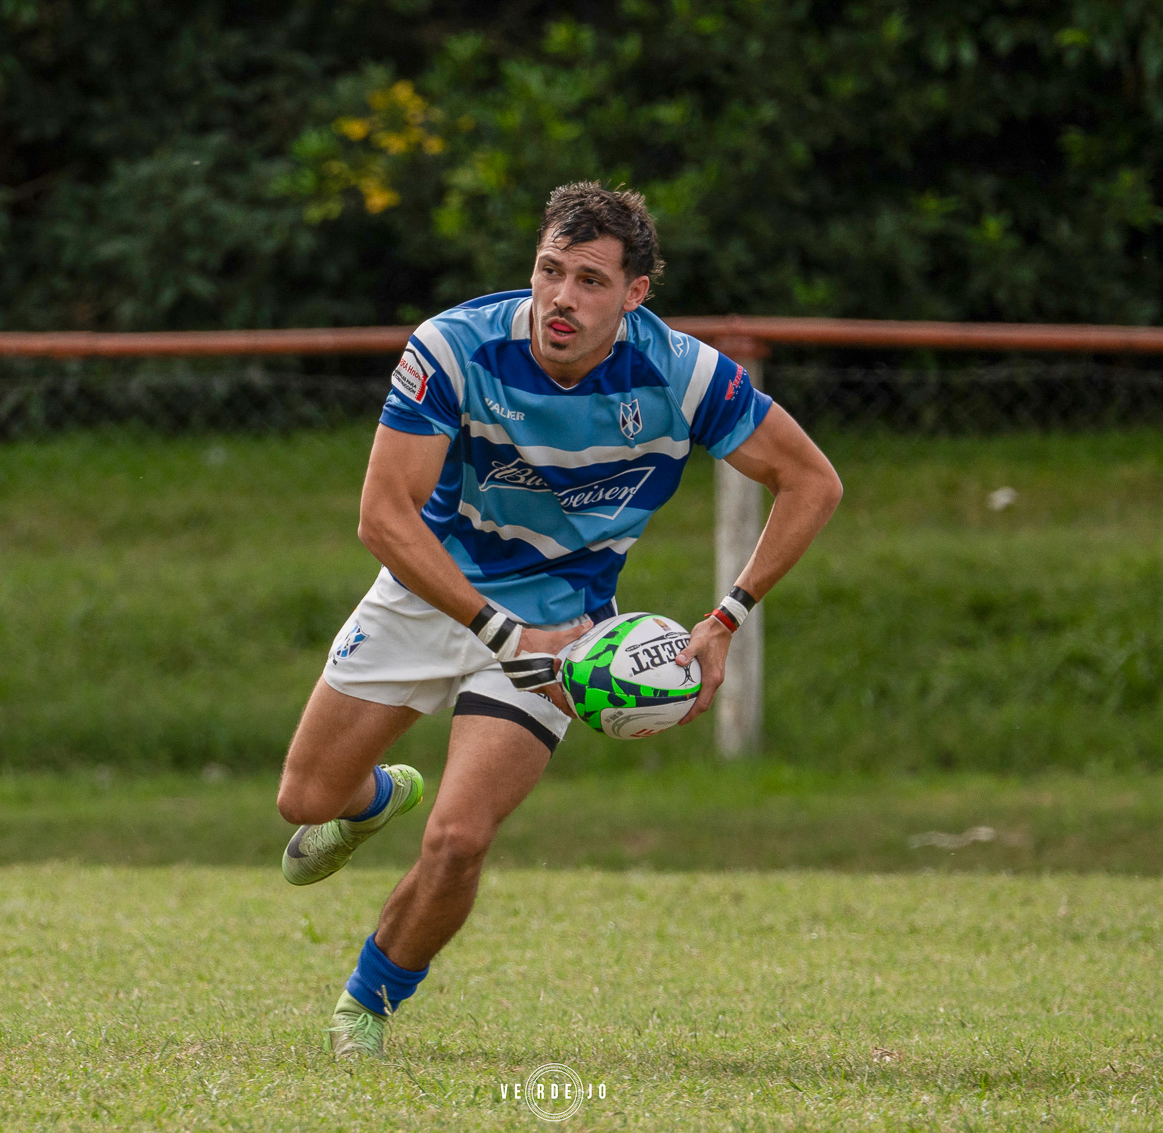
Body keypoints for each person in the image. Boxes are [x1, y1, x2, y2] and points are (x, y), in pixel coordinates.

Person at [273, 182, 843, 1058]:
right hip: (430, 589)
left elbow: (813, 482)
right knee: (304, 800)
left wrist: (727, 617)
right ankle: (379, 795)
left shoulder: (680, 374)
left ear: (635, 294)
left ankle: (366, 1008)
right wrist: (499, 631)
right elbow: (384, 517)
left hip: (564, 624)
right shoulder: (455, 346)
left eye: (588, 280)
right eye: (548, 271)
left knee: (460, 839)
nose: (561, 299)